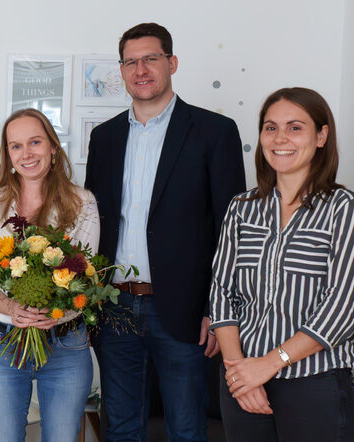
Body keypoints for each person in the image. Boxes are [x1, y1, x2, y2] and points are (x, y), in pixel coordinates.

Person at [85, 22, 246, 441]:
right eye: (131, 61)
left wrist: (218, 309)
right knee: (119, 428)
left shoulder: (214, 132)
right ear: (121, 71)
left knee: (187, 429)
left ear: (171, 63)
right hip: (114, 305)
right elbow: (95, 224)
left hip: (186, 311)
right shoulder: (104, 138)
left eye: (151, 58)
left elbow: (233, 233)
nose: (141, 69)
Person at [210, 87, 354, 442]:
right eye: (270, 127)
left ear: (321, 136)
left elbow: (342, 307)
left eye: (295, 127)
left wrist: (268, 364)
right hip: (241, 380)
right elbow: (222, 294)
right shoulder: (242, 208)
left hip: (316, 384)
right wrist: (239, 374)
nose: (280, 139)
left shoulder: (342, 208)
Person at [0, 108, 99, 442]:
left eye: (35, 142)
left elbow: (84, 277)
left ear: (53, 147)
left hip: (67, 344)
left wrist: (54, 312)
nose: (26, 153)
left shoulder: (82, 203)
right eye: (16, 146)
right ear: (8, 155)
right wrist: (13, 308)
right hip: (2, 343)